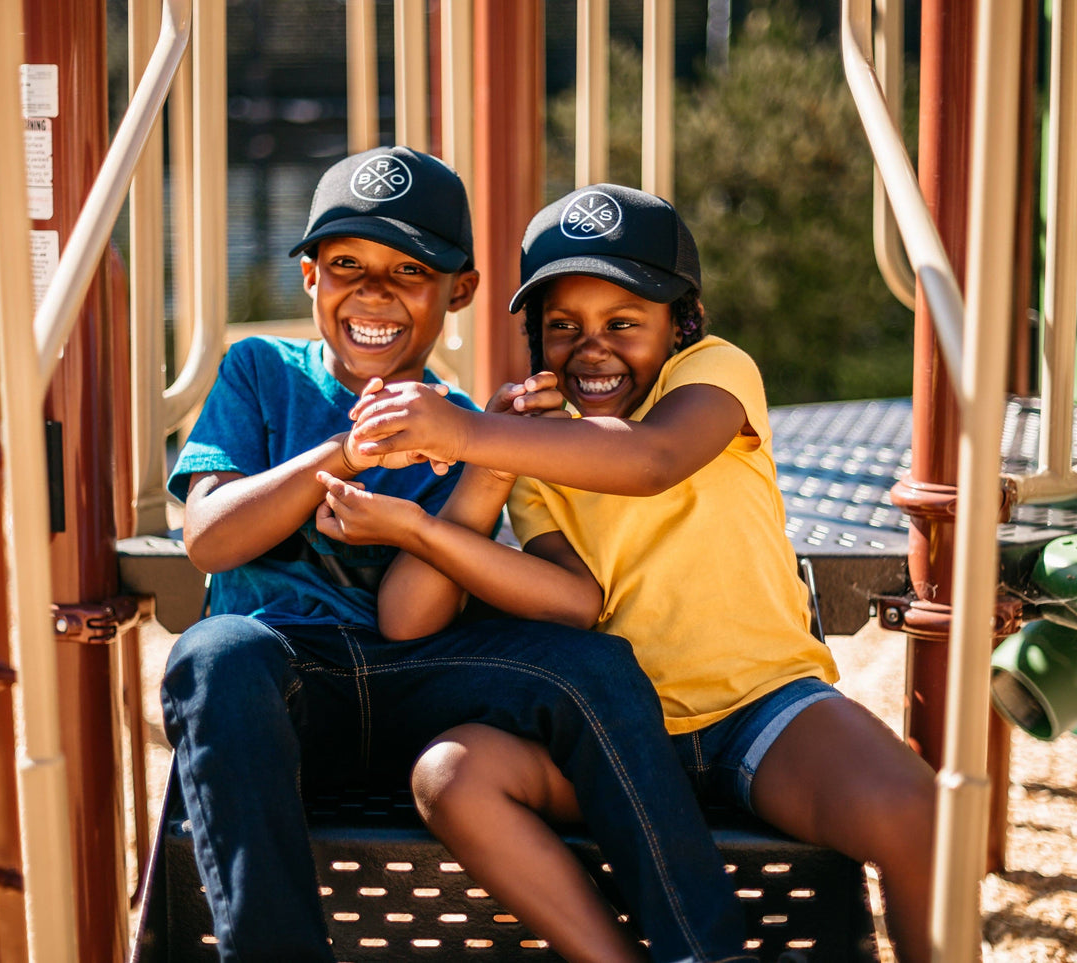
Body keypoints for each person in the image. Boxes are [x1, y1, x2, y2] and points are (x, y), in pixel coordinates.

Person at [317, 183, 938, 963]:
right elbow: (572, 604)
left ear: (680, 324)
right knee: (450, 775)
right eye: (562, 328)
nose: (592, 348)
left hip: (760, 708)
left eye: (623, 324)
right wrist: (426, 518)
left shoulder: (713, 375)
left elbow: (651, 461)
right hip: (620, 741)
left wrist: (467, 430)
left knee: (914, 813)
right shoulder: (535, 454)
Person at [160, 152, 752, 963]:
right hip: (287, 687)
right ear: (309, 277)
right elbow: (210, 536)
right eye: (347, 267)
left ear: (461, 291)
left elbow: (413, 623)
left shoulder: (462, 421)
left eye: (409, 270)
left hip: (412, 683)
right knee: (217, 652)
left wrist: (479, 465)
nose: (373, 293)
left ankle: (707, 952)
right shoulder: (259, 370)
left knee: (590, 663)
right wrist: (348, 450)